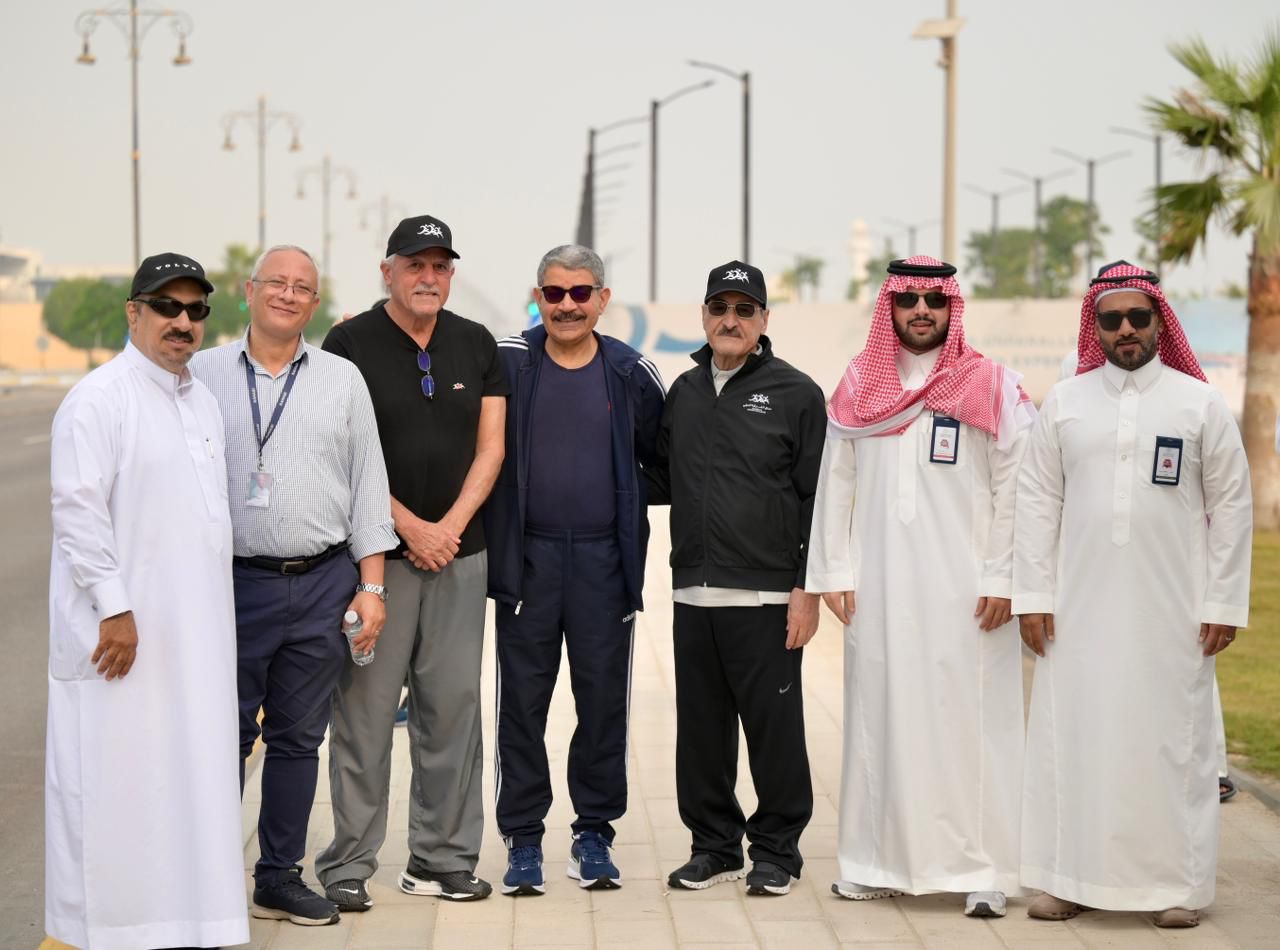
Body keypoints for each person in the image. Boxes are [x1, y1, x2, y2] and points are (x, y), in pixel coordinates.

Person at [1014, 260, 1252, 929]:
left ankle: (1177, 886)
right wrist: (1033, 595)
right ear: (1094, 325)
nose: (1125, 329)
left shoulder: (1198, 403)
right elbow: (1037, 502)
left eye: (1137, 317)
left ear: (1158, 322)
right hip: (1078, 611)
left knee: (1173, 747)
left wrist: (1222, 603)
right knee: (1076, 740)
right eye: (1111, 319)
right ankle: (1069, 880)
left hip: (1172, 611)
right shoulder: (1066, 402)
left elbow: (1233, 506)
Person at [805, 255, 1035, 917]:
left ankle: (987, 870)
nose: (922, 311)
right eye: (909, 300)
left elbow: (1017, 487)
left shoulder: (990, 384)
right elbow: (835, 482)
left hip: (969, 591)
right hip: (879, 586)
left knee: (975, 725)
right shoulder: (859, 385)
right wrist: (834, 571)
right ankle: (877, 863)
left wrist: (1005, 575)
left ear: (952, 307)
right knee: (881, 720)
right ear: (891, 307)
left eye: (935, 300)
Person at [46, 252, 249, 949]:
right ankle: (112, 931)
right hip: (121, 636)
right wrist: (114, 606)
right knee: (120, 789)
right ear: (134, 312)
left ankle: (190, 927)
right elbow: (77, 511)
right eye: (167, 306)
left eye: (196, 310)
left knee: (190, 782)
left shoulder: (200, 401)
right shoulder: (99, 399)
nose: (182, 322)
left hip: (195, 636)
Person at [190, 244, 397, 924]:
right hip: (229, 586)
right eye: (275, 282)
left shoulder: (342, 380)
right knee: (220, 736)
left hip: (321, 584)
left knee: (297, 739)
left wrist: (372, 589)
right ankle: (202, 879)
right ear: (248, 291)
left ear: (314, 303)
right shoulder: (201, 375)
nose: (287, 294)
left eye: (301, 287)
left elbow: (369, 487)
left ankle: (277, 875)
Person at [317, 214, 508, 906]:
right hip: (377, 564)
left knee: (453, 710)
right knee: (365, 715)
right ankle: (347, 865)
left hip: (460, 556)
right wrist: (410, 529)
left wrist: (447, 528)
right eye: (415, 265)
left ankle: (440, 859)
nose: (429, 278)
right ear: (388, 272)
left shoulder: (477, 343)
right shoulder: (349, 344)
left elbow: (491, 447)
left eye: (440, 267)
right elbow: (344, 456)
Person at [484, 244, 665, 896]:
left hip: (602, 564)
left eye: (580, 293)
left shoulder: (630, 372)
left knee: (602, 704)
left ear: (602, 299)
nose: (567, 306)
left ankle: (594, 834)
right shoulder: (510, 360)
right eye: (555, 294)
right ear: (538, 297)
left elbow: (663, 459)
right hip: (528, 561)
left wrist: (621, 505)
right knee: (522, 706)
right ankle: (523, 838)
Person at [654, 260, 825, 897]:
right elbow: (661, 476)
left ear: (764, 320)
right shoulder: (684, 391)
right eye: (720, 308)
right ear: (704, 316)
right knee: (700, 734)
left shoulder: (797, 394)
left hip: (767, 597)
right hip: (692, 592)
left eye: (744, 310)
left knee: (774, 732)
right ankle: (714, 847)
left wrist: (805, 590)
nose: (731, 320)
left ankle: (777, 851)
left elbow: (817, 500)